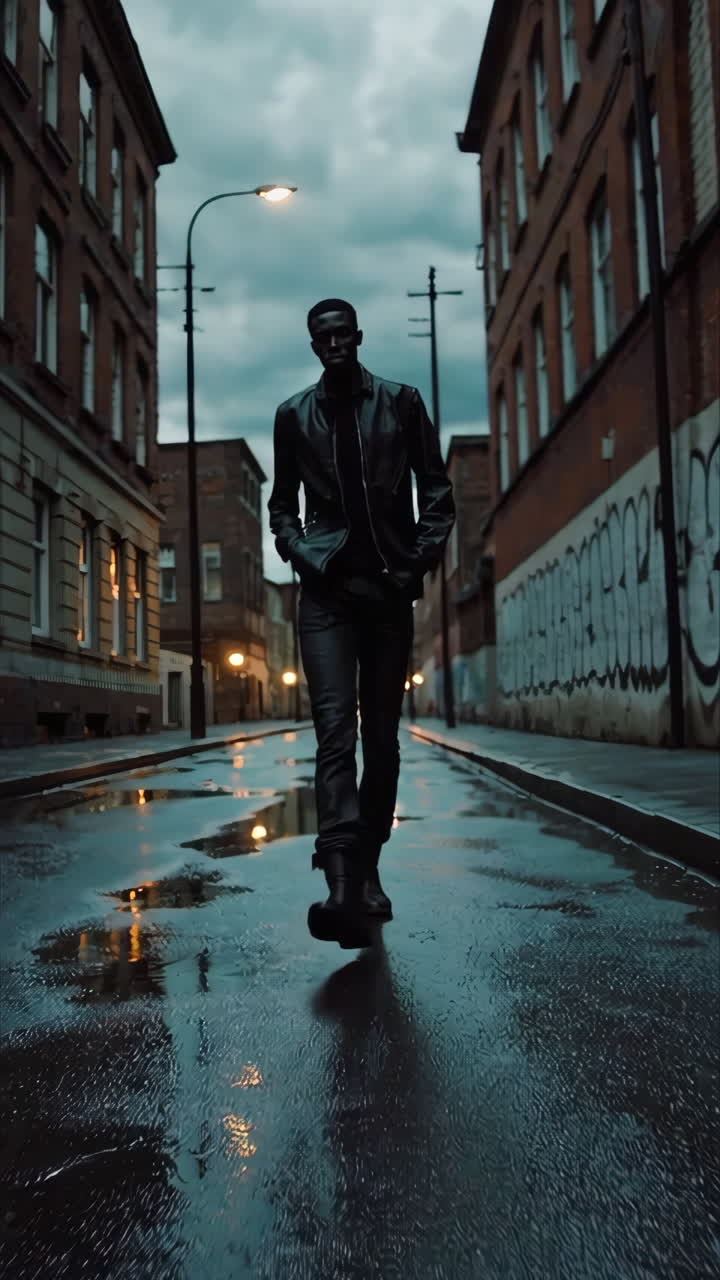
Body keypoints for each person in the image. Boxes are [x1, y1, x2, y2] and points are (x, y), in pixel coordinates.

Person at [268, 299, 455, 946]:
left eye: (343, 333)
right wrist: (300, 554)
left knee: (383, 740)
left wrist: (414, 567)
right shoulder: (293, 414)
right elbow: (281, 508)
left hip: (386, 595)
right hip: (324, 596)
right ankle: (340, 879)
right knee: (332, 733)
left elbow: (437, 492)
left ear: (358, 337)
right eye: (323, 337)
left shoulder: (401, 403)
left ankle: (369, 867)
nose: (335, 344)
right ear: (314, 345)